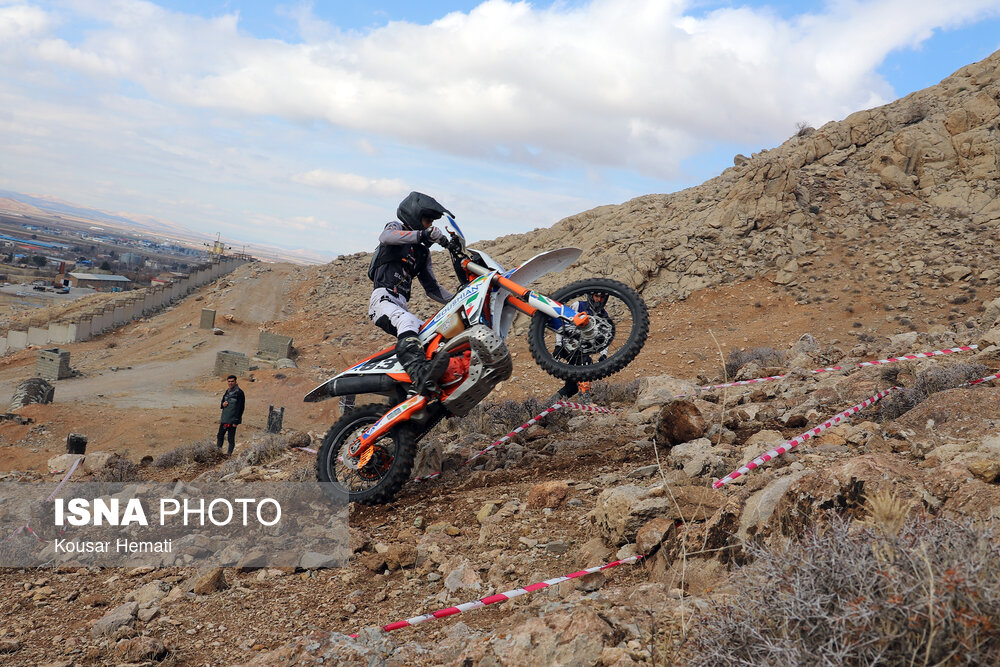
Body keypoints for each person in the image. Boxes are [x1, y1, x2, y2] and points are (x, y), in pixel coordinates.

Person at [367, 191, 456, 395]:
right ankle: (420, 377)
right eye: (427, 220)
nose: (430, 225)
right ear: (415, 215)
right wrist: (422, 235)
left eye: (432, 222)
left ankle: (418, 389)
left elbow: (432, 289)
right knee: (407, 321)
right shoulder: (396, 228)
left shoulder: (422, 253)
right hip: (382, 300)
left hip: (400, 306)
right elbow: (385, 237)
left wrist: (459, 298)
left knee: (434, 336)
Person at [554, 292, 611, 400]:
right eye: (597, 296)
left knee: (572, 386)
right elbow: (562, 322)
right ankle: (585, 399)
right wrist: (558, 345)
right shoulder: (578, 305)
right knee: (586, 363)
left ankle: (552, 402)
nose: (599, 299)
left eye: (602, 297)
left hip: (583, 349)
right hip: (568, 344)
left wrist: (603, 355)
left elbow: (605, 337)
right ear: (591, 296)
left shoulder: (604, 315)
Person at [217, 374, 245, 455]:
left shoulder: (239, 393)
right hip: (224, 419)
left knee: (230, 438)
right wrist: (223, 404)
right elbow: (222, 403)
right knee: (220, 436)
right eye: (229, 381)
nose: (230, 383)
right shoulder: (227, 391)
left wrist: (236, 421)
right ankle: (218, 453)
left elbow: (241, 408)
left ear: (235, 382)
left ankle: (229, 455)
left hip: (232, 420)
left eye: (232, 381)